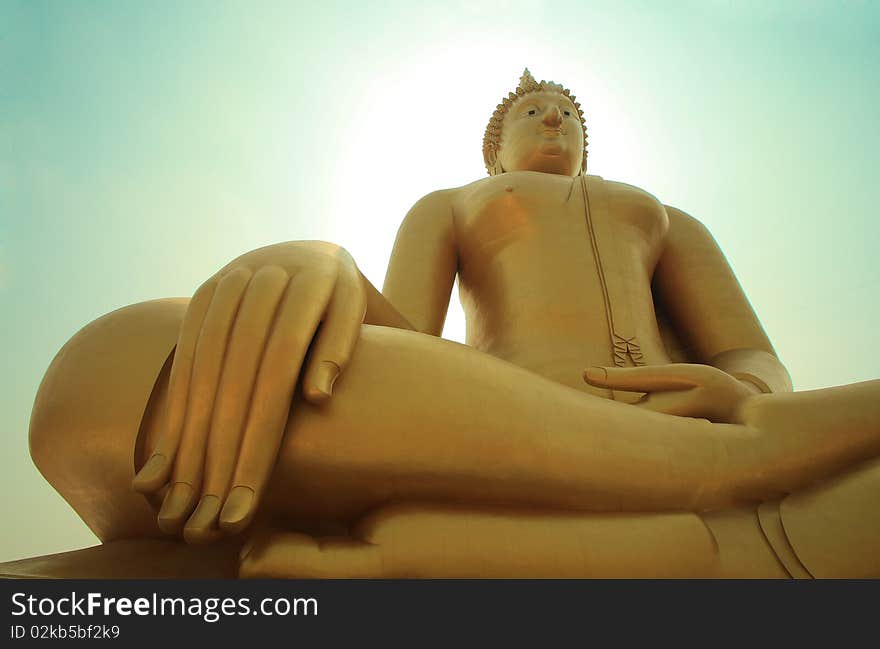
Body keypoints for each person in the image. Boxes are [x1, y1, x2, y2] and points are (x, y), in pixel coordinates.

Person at [13, 70, 880, 579]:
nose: (552, 118)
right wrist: (321, 269)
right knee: (105, 377)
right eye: (531, 112)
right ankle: (721, 493)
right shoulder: (455, 206)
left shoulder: (658, 215)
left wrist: (746, 389)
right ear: (494, 147)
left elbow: (750, 351)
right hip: (492, 428)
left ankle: (709, 481)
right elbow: (411, 346)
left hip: (686, 420)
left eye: (567, 112)